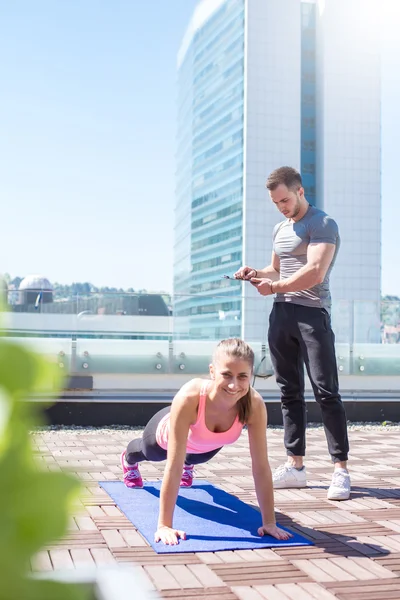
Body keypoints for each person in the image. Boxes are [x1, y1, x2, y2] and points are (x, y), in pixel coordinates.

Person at [234, 166, 350, 501]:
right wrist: (255, 273)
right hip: (281, 314)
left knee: (326, 391)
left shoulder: (322, 223)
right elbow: (276, 268)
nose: (281, 207)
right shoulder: (279, 229)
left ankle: (340, 469)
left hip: (313, 315)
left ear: (299, 191)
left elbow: (314, 271)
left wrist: (275, 286)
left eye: (284, 199)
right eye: (275, 203)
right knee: (289, 392)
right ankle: (295, 466)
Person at [121, 338, 292, 545]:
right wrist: (164, 526)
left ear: (251, 375)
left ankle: (190, 463)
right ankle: (128, 459)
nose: (234, 385)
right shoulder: (191, 396)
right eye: (226, 375)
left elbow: (261, 466)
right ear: (212, 371)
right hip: (163, 436)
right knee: (151, 454)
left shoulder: (254, 404)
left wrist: (270, 522)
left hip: (204, 446)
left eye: (242, 377)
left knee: (196, 457)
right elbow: (173, 465)